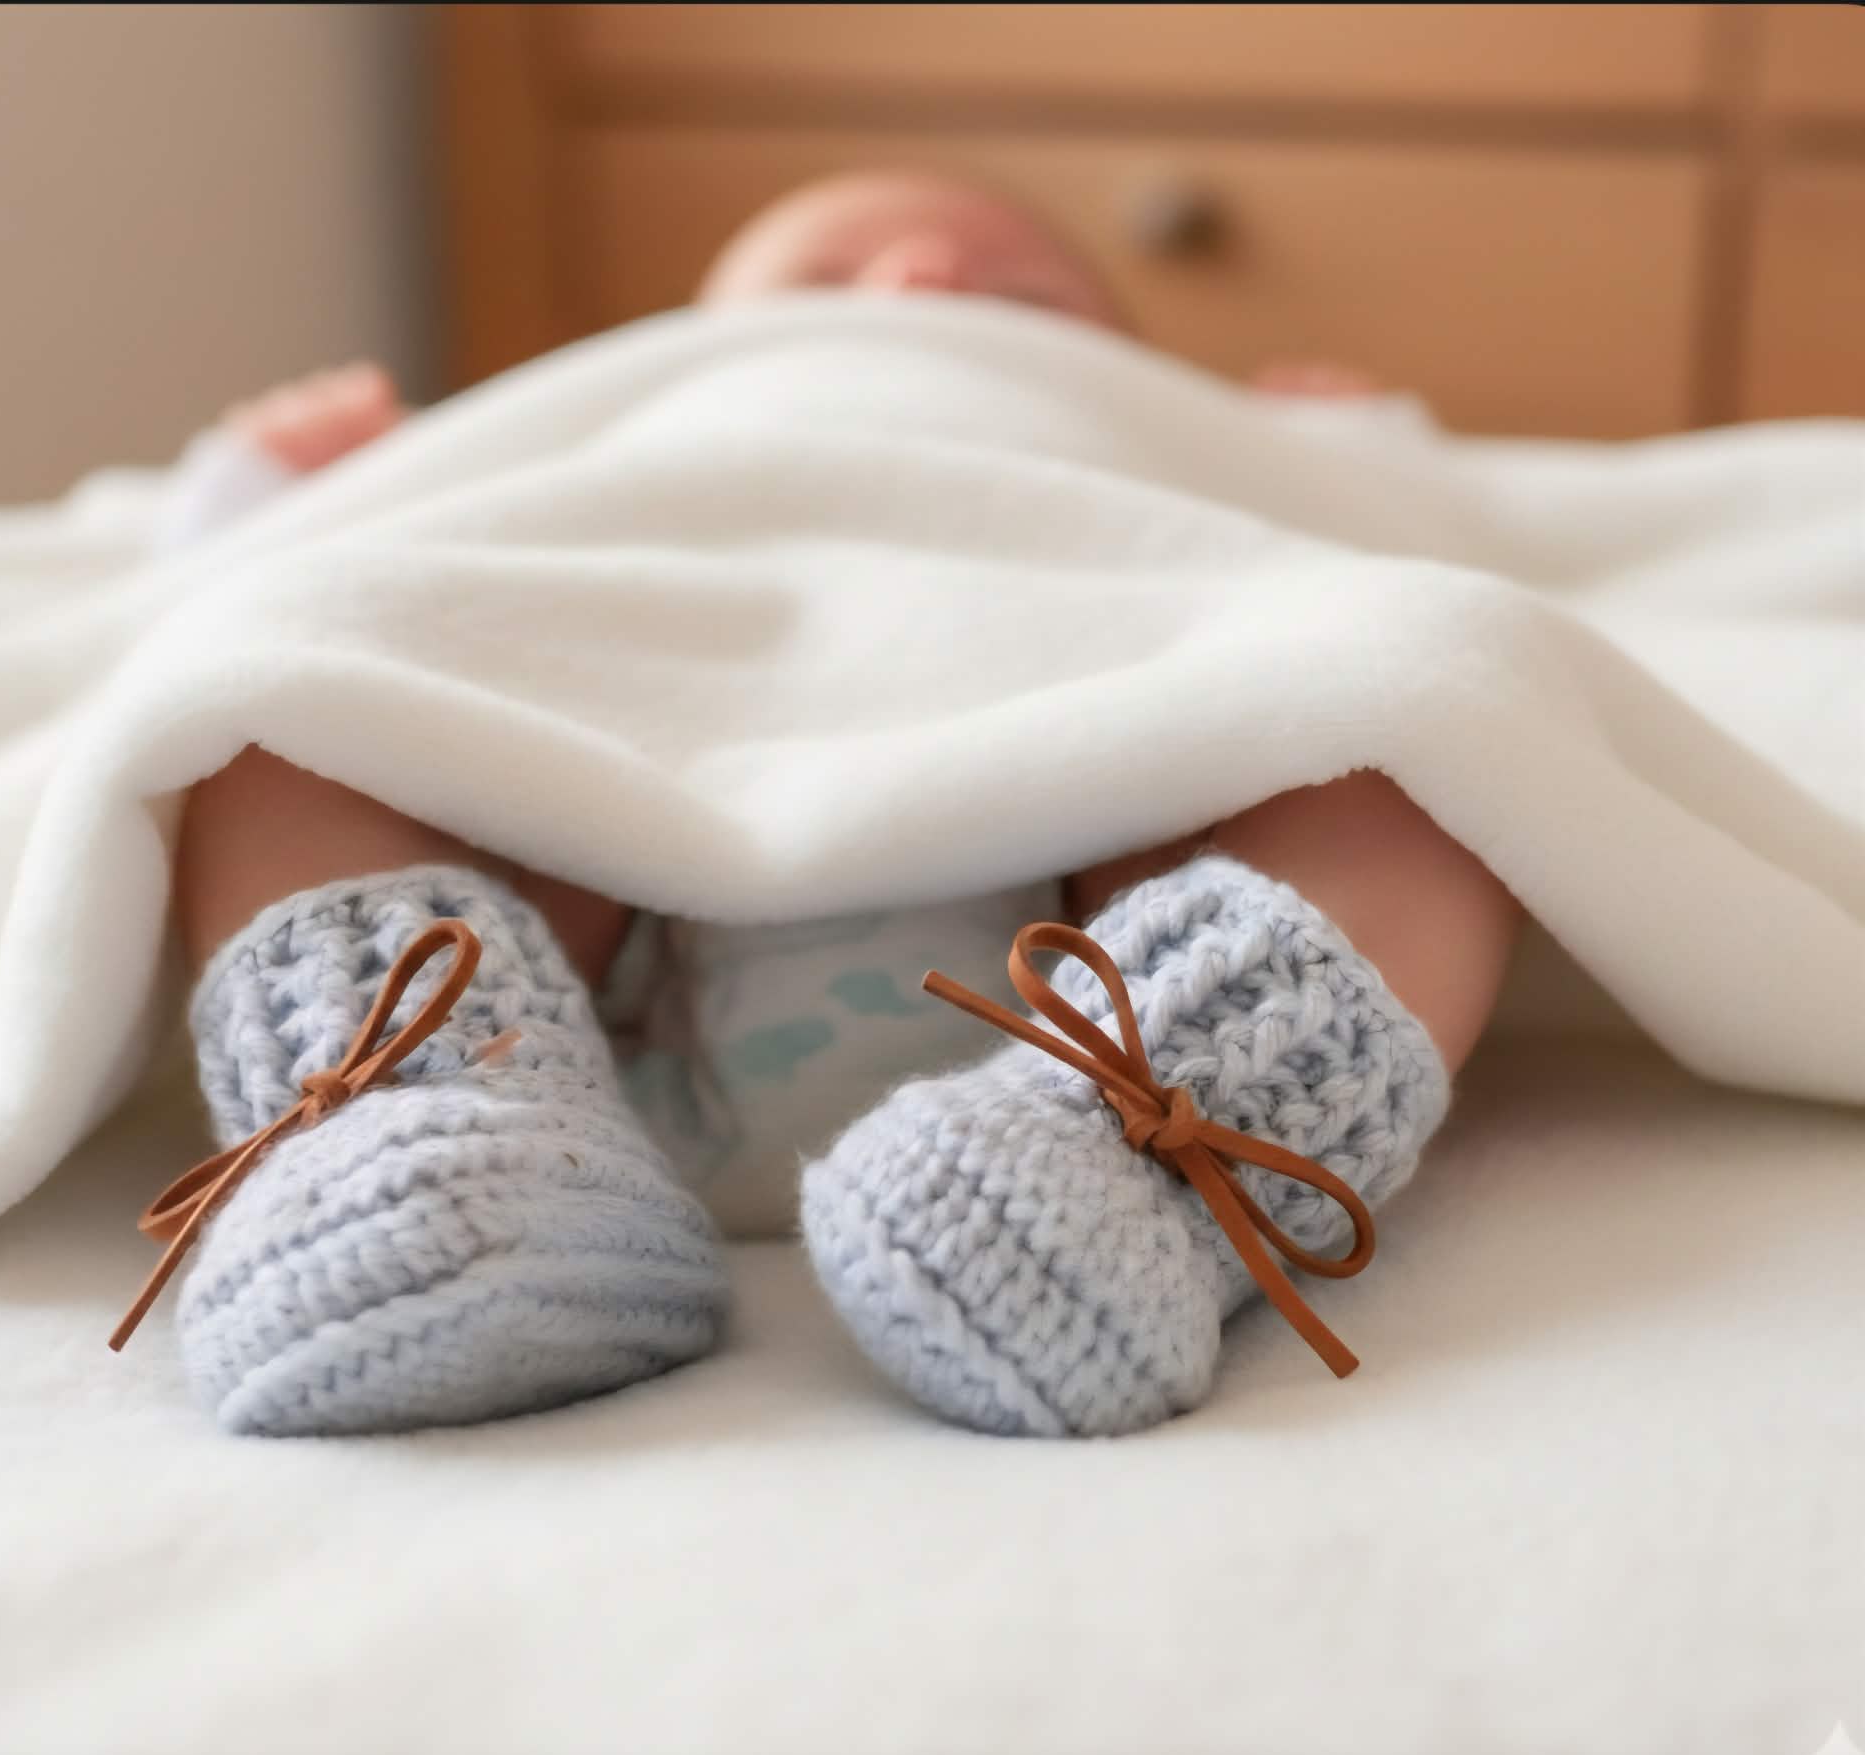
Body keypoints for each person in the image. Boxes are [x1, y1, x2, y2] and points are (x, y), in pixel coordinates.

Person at [158, 171, 1521, 1439]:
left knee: (1413, 702)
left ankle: (1150, 1167)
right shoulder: (626, 425)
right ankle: (426, 1120)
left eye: (1023, 297)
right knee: (287, 688)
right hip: (598, 950)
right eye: (823, 280)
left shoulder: (1170, 440)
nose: (919, 277)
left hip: (1103, 959)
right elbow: (215, 591)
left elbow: (1436, 546)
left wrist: (1341, 451)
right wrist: (276, 494)